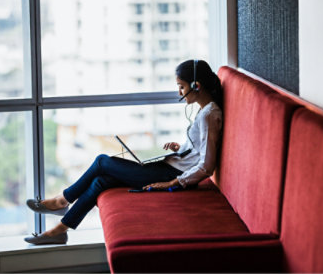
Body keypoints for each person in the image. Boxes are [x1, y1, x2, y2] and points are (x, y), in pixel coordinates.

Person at [24, 59, 223, 245]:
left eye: (182, 87)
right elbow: (200, 149)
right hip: (171, 165)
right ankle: (61, 230)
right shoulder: (204, 111)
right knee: (101, 181)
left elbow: (207, 165)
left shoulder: (208, 115)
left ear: (196, 86)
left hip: (173, 175)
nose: (179, 92)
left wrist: (172, 183)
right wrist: (181, 148)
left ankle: (62, 200)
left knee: (102, 161)